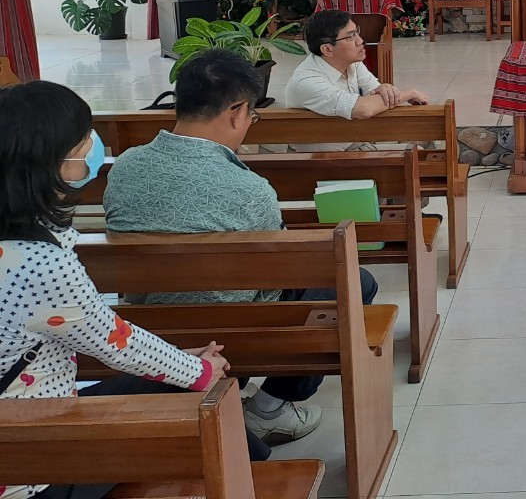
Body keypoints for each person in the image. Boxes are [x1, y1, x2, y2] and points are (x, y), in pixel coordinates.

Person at [0, 80, 262, 499]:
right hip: (31, 464)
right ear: (48, 165)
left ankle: (258, 468)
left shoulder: (19, 241)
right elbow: (116, 343)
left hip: (29, 417)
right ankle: (262, 478)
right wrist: (199, 370)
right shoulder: (39, 265)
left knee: (179, 386)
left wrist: (182, 362)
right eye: (83, 142)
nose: (93, 147)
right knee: (201, 398)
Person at [104, 49, 378, 446]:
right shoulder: (250, 189)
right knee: (354, 281)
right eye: (252, 115)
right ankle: (269, 409)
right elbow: (286, 271)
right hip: (237, 332)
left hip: (149, 328)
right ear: (237, 112)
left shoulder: (125, 167)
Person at [284, 9, 429, 119]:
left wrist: (384, 89)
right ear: (327, 49)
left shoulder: (352, 63)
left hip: (358, 141)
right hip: (332, 150)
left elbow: (377, 95)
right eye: (350, 37)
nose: (360, 41)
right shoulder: (307, 82)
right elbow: (364, 109)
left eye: (356, 32)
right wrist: (410, 93)